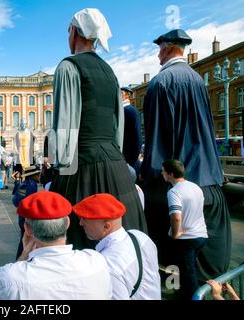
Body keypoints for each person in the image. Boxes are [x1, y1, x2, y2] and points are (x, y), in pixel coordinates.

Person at [49, 8, 147, 250]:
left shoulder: (68, 67)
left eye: (68, 31)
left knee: (73, 240)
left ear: (75, 31)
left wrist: (59, 169)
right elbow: (117, 126)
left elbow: (64, 126)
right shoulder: (110, 72)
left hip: (80, 165)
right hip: (115, 165)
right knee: (121, 238)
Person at [140, 29, 231, 279]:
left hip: (177, 190)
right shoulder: (198, 80)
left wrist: (148, 179)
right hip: (208, 180)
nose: (158, 55)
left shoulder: (161, 83)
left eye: (160, 49)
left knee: (174, 270)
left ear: (169, 48)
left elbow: (157, 141)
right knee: (205, 272)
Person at [0, 191, 112, 300]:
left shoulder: (10, 277)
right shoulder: (96, 261)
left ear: (28, 229)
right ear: (67, 224)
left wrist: (24, 255)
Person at [73, 193, 161, 300]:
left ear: (106, 226)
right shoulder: (140, 237)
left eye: (85, 219)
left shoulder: (107, 265)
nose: (81, 223)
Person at [161, 159, 208, 299]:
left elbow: (176, 217)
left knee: (188, 274)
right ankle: (180, 293)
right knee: (186, 269)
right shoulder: (195, 187)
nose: (162, 174)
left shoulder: (174, 192)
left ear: (170, 174)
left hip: (185, 239)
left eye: (163, 171)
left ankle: (194, 297)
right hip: (201, 235)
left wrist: (175, 233)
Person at [11, 165, 40, 259]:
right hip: (27, 217)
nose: (39, 176)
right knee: (28, 240)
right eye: (38, 174)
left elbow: (15, 199)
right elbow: (31, 202)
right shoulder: (32, 185)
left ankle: (20, 257)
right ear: (33, 175)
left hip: (21, 215)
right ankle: (24, 258)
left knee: (23, 238)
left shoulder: (23, 183)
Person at [121, 86, 142, 169]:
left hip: (129, 159)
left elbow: (137, 135)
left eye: (121, 93)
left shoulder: (130, 110)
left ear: (127, 95)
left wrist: (132, 159)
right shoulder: (124, 110)